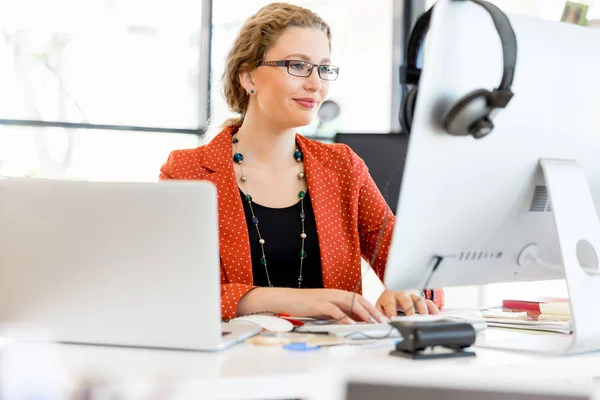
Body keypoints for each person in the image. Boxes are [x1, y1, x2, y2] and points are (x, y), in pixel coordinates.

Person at [160, 2, 444, 323]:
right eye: (298, 66)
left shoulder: (343, 167)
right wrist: (301, 301)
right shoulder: (188, 171)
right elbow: (181, 290)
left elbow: (418, 264)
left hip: (335, 357)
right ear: (248, 76)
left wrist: (409, 291)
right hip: (234, 362)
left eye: (324, 68)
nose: (315, 84)